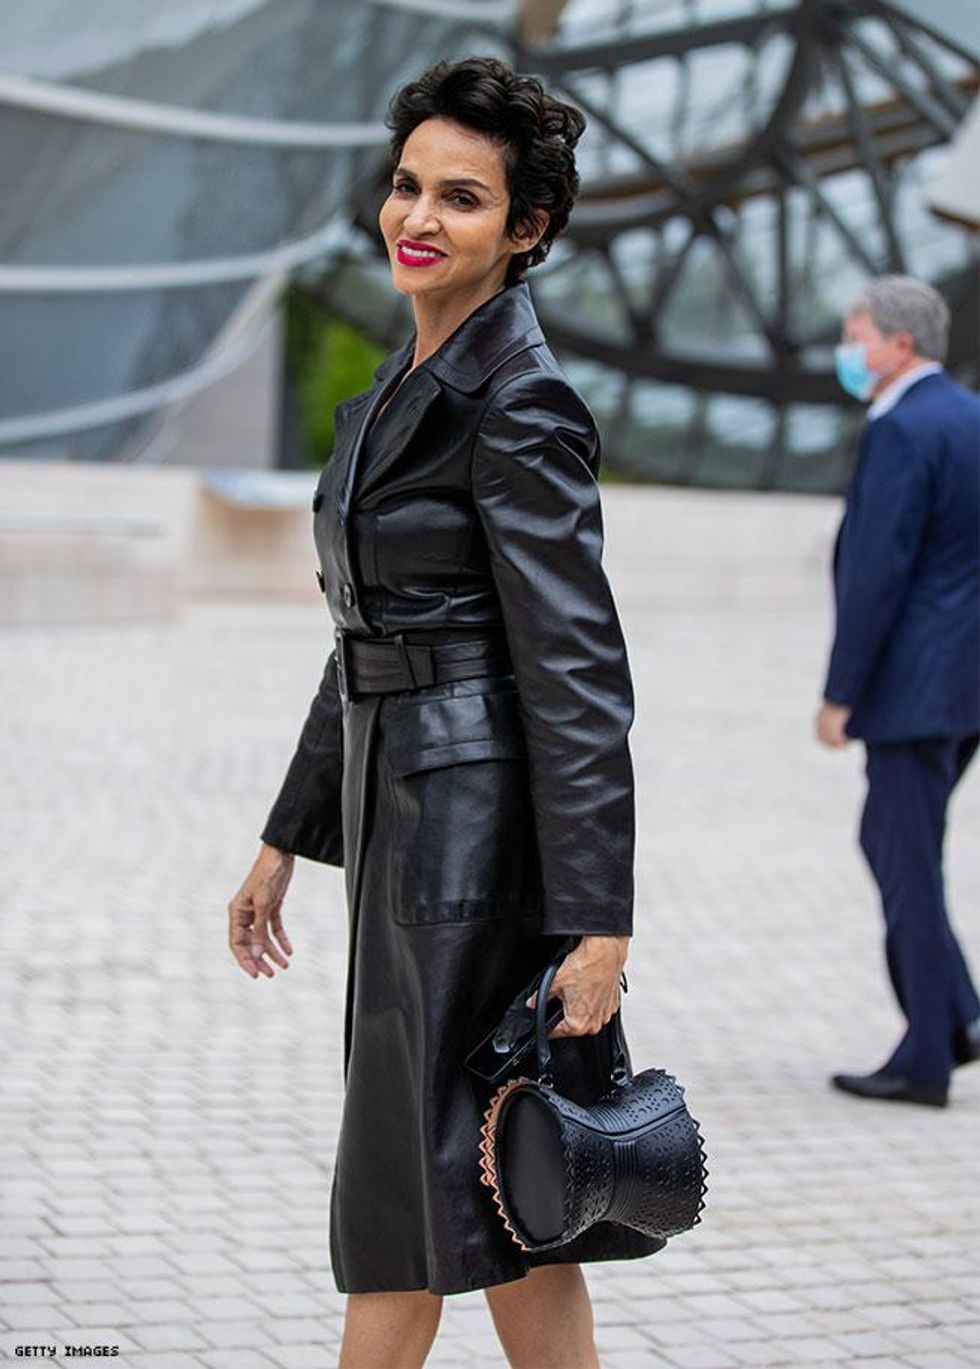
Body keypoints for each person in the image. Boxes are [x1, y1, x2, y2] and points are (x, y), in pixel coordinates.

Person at [226, 56, 664, 1369]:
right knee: (497, 1193)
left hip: (473, 860)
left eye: (461, 198)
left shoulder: (518, 406)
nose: (417, 216)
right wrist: (283, 839)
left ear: (526, 230)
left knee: (415, 1194)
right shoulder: (388, 399)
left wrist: (597, 919)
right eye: (408, 186)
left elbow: (578, 675)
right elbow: (364, 635)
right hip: (400, 830)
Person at [816, 274, 980, 1110]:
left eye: (856, 334)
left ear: (899, 346)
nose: (848, 349)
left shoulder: (900, 427)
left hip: (913, 688)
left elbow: (877, 573)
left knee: (904, 858)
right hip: (962, 685)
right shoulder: (968, 414)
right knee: (895, 842)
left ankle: (924, 1057)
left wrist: (841, 693)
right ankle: (957, 1015)